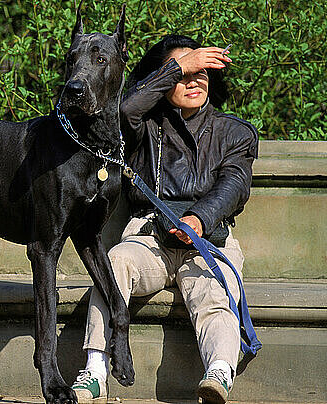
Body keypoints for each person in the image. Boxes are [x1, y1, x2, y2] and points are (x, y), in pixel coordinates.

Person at [70, 34, 259, 404]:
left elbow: (235, 183)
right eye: (184, 74)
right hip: (150, 237)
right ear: (163, 79)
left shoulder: (235, 132)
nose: (194, 80)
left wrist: (199, 219)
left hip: (209, 240)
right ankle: (94, 371)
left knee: (215, 294)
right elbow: (124, 110)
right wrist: (175, 67)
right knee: (114, 264)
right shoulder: (143, 126)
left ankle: (219, 373)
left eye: (201, 71)